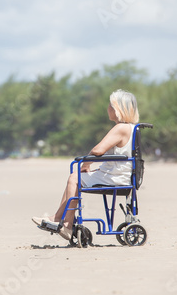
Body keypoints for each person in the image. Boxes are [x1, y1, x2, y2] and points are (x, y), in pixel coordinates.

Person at [32, 89, 140, 240]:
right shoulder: (130, 127)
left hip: (114, 178)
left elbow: (98, 150)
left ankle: (67, 223)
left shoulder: (121, 128)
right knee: (76, 176)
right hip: (118, 174)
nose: (107, 108)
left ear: (118, 109)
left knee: (74, 178)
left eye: (111, 105)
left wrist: (86, 163)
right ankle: (57, 217)